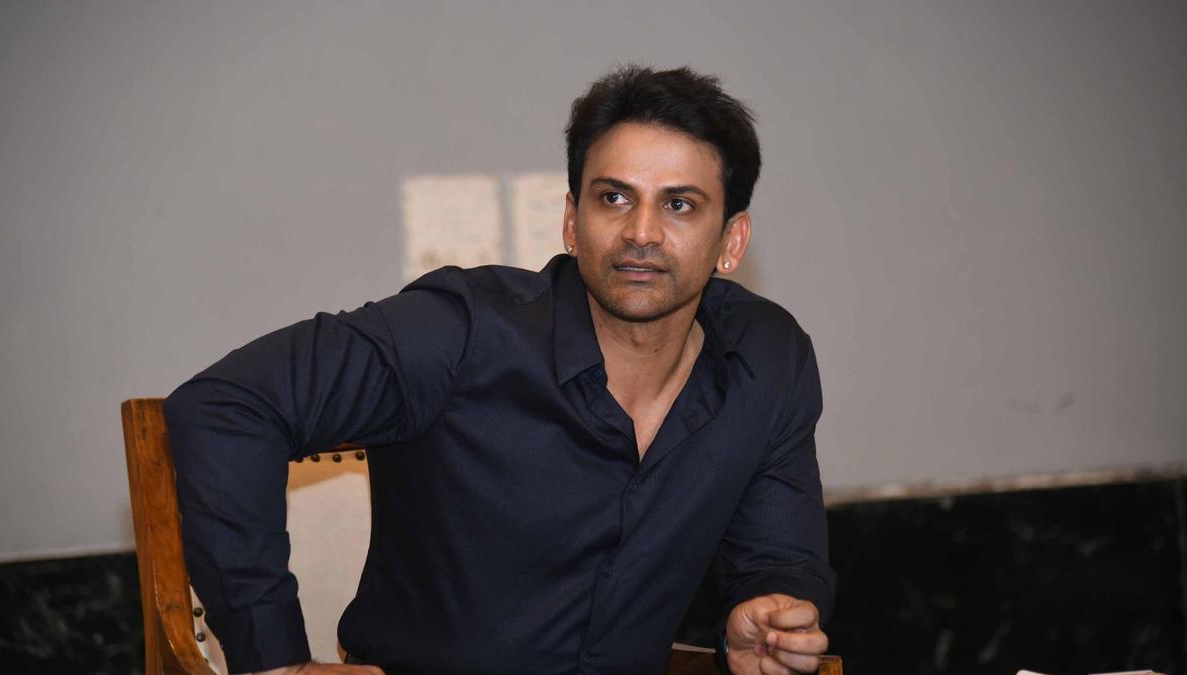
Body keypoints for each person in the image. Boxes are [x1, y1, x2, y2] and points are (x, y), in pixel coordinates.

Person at [164, 65, 835, 675]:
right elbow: (225, 407)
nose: (641, 232)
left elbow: (779, 558)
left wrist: (769, 613)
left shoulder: (766, 360)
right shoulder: (462, 331)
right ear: (571, 221)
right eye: (613, 198)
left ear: (731, 240)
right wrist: (275, 662)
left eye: (679, 204)